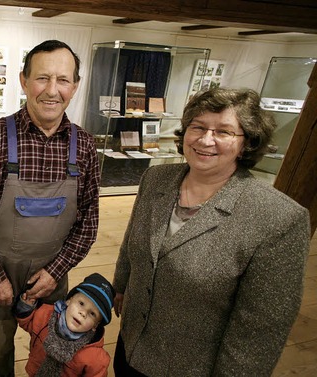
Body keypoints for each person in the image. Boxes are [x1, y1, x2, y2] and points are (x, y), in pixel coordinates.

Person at [112, 87, 311, 375]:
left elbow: (260, 332)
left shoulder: (278, 219)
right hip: (131, 346)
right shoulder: (156, 179)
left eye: (224, 132)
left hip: (191, 366)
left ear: (247, 143)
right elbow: (133, 239)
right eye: (199, 127)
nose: (206, 140)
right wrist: (120, 284)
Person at [0, 39, 101, 376]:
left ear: (75, 86)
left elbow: (89, 222)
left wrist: (55, 272)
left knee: (57, 352)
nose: (52, 91)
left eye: (63, 80)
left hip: (54, 277)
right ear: (23, 81)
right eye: (42, 78)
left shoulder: (84, 147)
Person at [14, 273, 114, 377]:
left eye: (92, 313)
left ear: (95, 325)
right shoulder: (45, 315)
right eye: (81, 303)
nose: (83, 313)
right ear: (69, 300)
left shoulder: (95, 358)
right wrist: (26, 306)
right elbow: (28, 323)